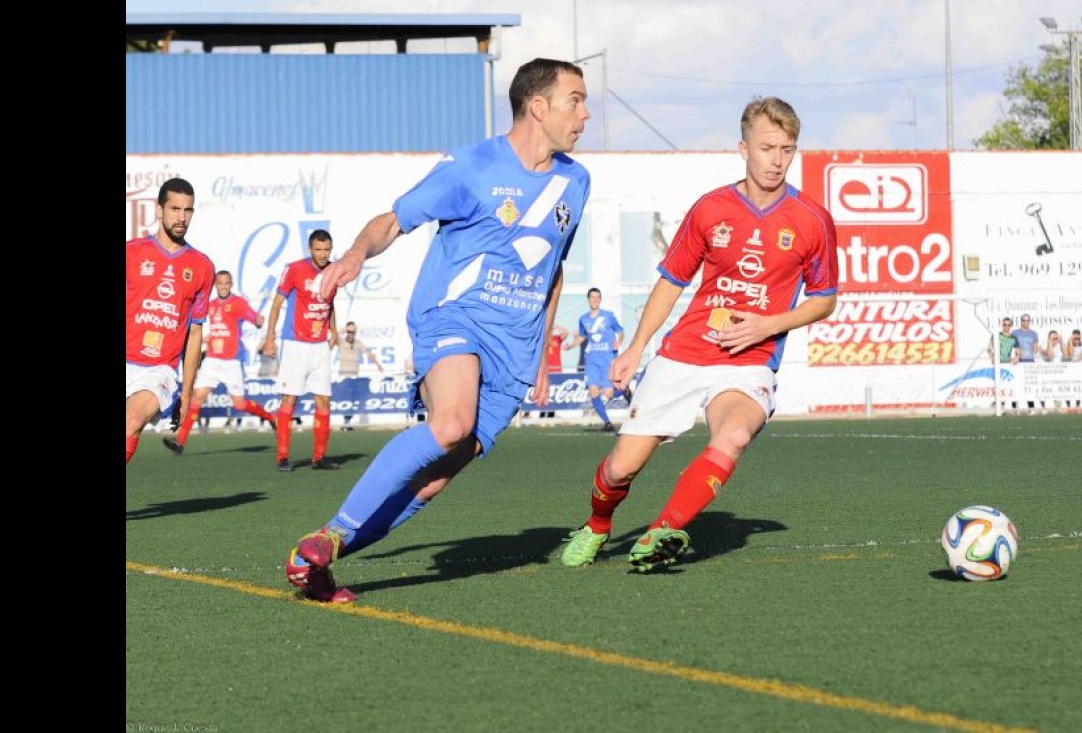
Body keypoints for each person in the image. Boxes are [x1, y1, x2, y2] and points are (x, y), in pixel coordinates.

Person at [283, 58, 592, 602]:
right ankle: (330, 534)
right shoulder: (471, 166)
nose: (585, 114)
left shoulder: (576, 181)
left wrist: (542, 350)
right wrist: (356, 253)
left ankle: (320, 555)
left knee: (433, 479)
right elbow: (393, 219)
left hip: (514, 352)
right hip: (454, 320)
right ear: (538, 107)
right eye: (575, 100)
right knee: (451, 423)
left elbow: (554, 269)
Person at [558, 95, 839, 573]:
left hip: (750, 363)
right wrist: (636, 347)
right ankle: (598, 525)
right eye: (767, 147)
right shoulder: (711, 209)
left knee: (732, 435)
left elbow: (825, 297)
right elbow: (672, 281)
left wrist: (769, 325)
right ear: (743, 148)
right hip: (686, 353)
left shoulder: (813, 220)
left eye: (787, 149)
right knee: (621, 467)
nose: (776, 160)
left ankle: (662, 531)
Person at [126, 178, 216, 465]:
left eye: (187, 210)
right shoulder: (131, 253)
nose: (181, 217)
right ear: (159, 210)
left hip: (158, 370)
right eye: (175, 208)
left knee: (132, 421)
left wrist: (187, 391)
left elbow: (195, 332)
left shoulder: (202, 267)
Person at [162, 270, 276, 455]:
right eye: (220, 283)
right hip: (213, 361)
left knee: (239, 404)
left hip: (231, 362)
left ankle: (271, 417)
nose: (223, 286)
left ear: (230, 285)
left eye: (226, 283)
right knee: (196, 399)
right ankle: (180, 442)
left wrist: (258, 320)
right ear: (216, 285)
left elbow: (254, 318)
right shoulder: (211, 305)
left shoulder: (238, 303)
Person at [261, 229, 341, 472]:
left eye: (327, 250)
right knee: (290, 398)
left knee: (324, 400)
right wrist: (270, 338)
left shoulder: (333, 271)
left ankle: (319, 457)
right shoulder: (294, 269)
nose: (323, 254)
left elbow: (329, 302)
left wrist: (334, 328)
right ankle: (282, 456)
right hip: (295, 344)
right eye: (318, 249)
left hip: (320, 346)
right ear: (310, 249)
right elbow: (276, 304)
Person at [564, 287, 625, 431]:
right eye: (592, 297)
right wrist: (570, 345)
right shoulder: (584, 319)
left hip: (607, 358)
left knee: (609, 394)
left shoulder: (608, 316)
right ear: (588, 299)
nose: (595, 299)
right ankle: (607, 423)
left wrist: (619, 341)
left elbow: (620, 331)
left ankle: (625, 391)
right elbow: (582, 336)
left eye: (597, 297)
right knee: (593, 391)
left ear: (600, 299)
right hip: (591, 359)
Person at [337, 320, 386, 430]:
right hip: (344, 376)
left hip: (355, 375)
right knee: (345, 400)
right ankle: (345, 422)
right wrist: (343, 329)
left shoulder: (358, 343)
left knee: (353, 400)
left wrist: (378, 365)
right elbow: (333, 338)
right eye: (349, 331)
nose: (351, 334)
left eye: (353, 332)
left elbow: (368, 353)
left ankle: (347, 422)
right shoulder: (341, 342)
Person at [1012, 313, 1040, 411]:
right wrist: (1018, 353)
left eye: (1028, 320)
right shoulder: (1015, 333)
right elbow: (1013, 346)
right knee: (1017, 385)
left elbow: (1036, 347)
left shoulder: (1033, 333)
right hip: (1019, 362)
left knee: (1029, 386)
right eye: (1024, 320)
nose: (1026, 322)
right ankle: (1015, 408)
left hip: (1029, 362)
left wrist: (1032, 352)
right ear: (1021, 321)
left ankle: (1031, 408)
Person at [990, 317, 1020, 409]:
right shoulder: (996, 335)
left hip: (1008, 364)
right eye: (1004, 324)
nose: (1006, 326)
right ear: (1002, 325)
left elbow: (1018, 352)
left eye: (1008, 325)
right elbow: (989, 348)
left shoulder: (1013, 338)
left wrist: (1017, 357)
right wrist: (992, 357)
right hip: (998, 364)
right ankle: (1000, 405)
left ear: (1011, 326)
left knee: (1011, 385)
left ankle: (1014, 407)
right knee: (999, 386)